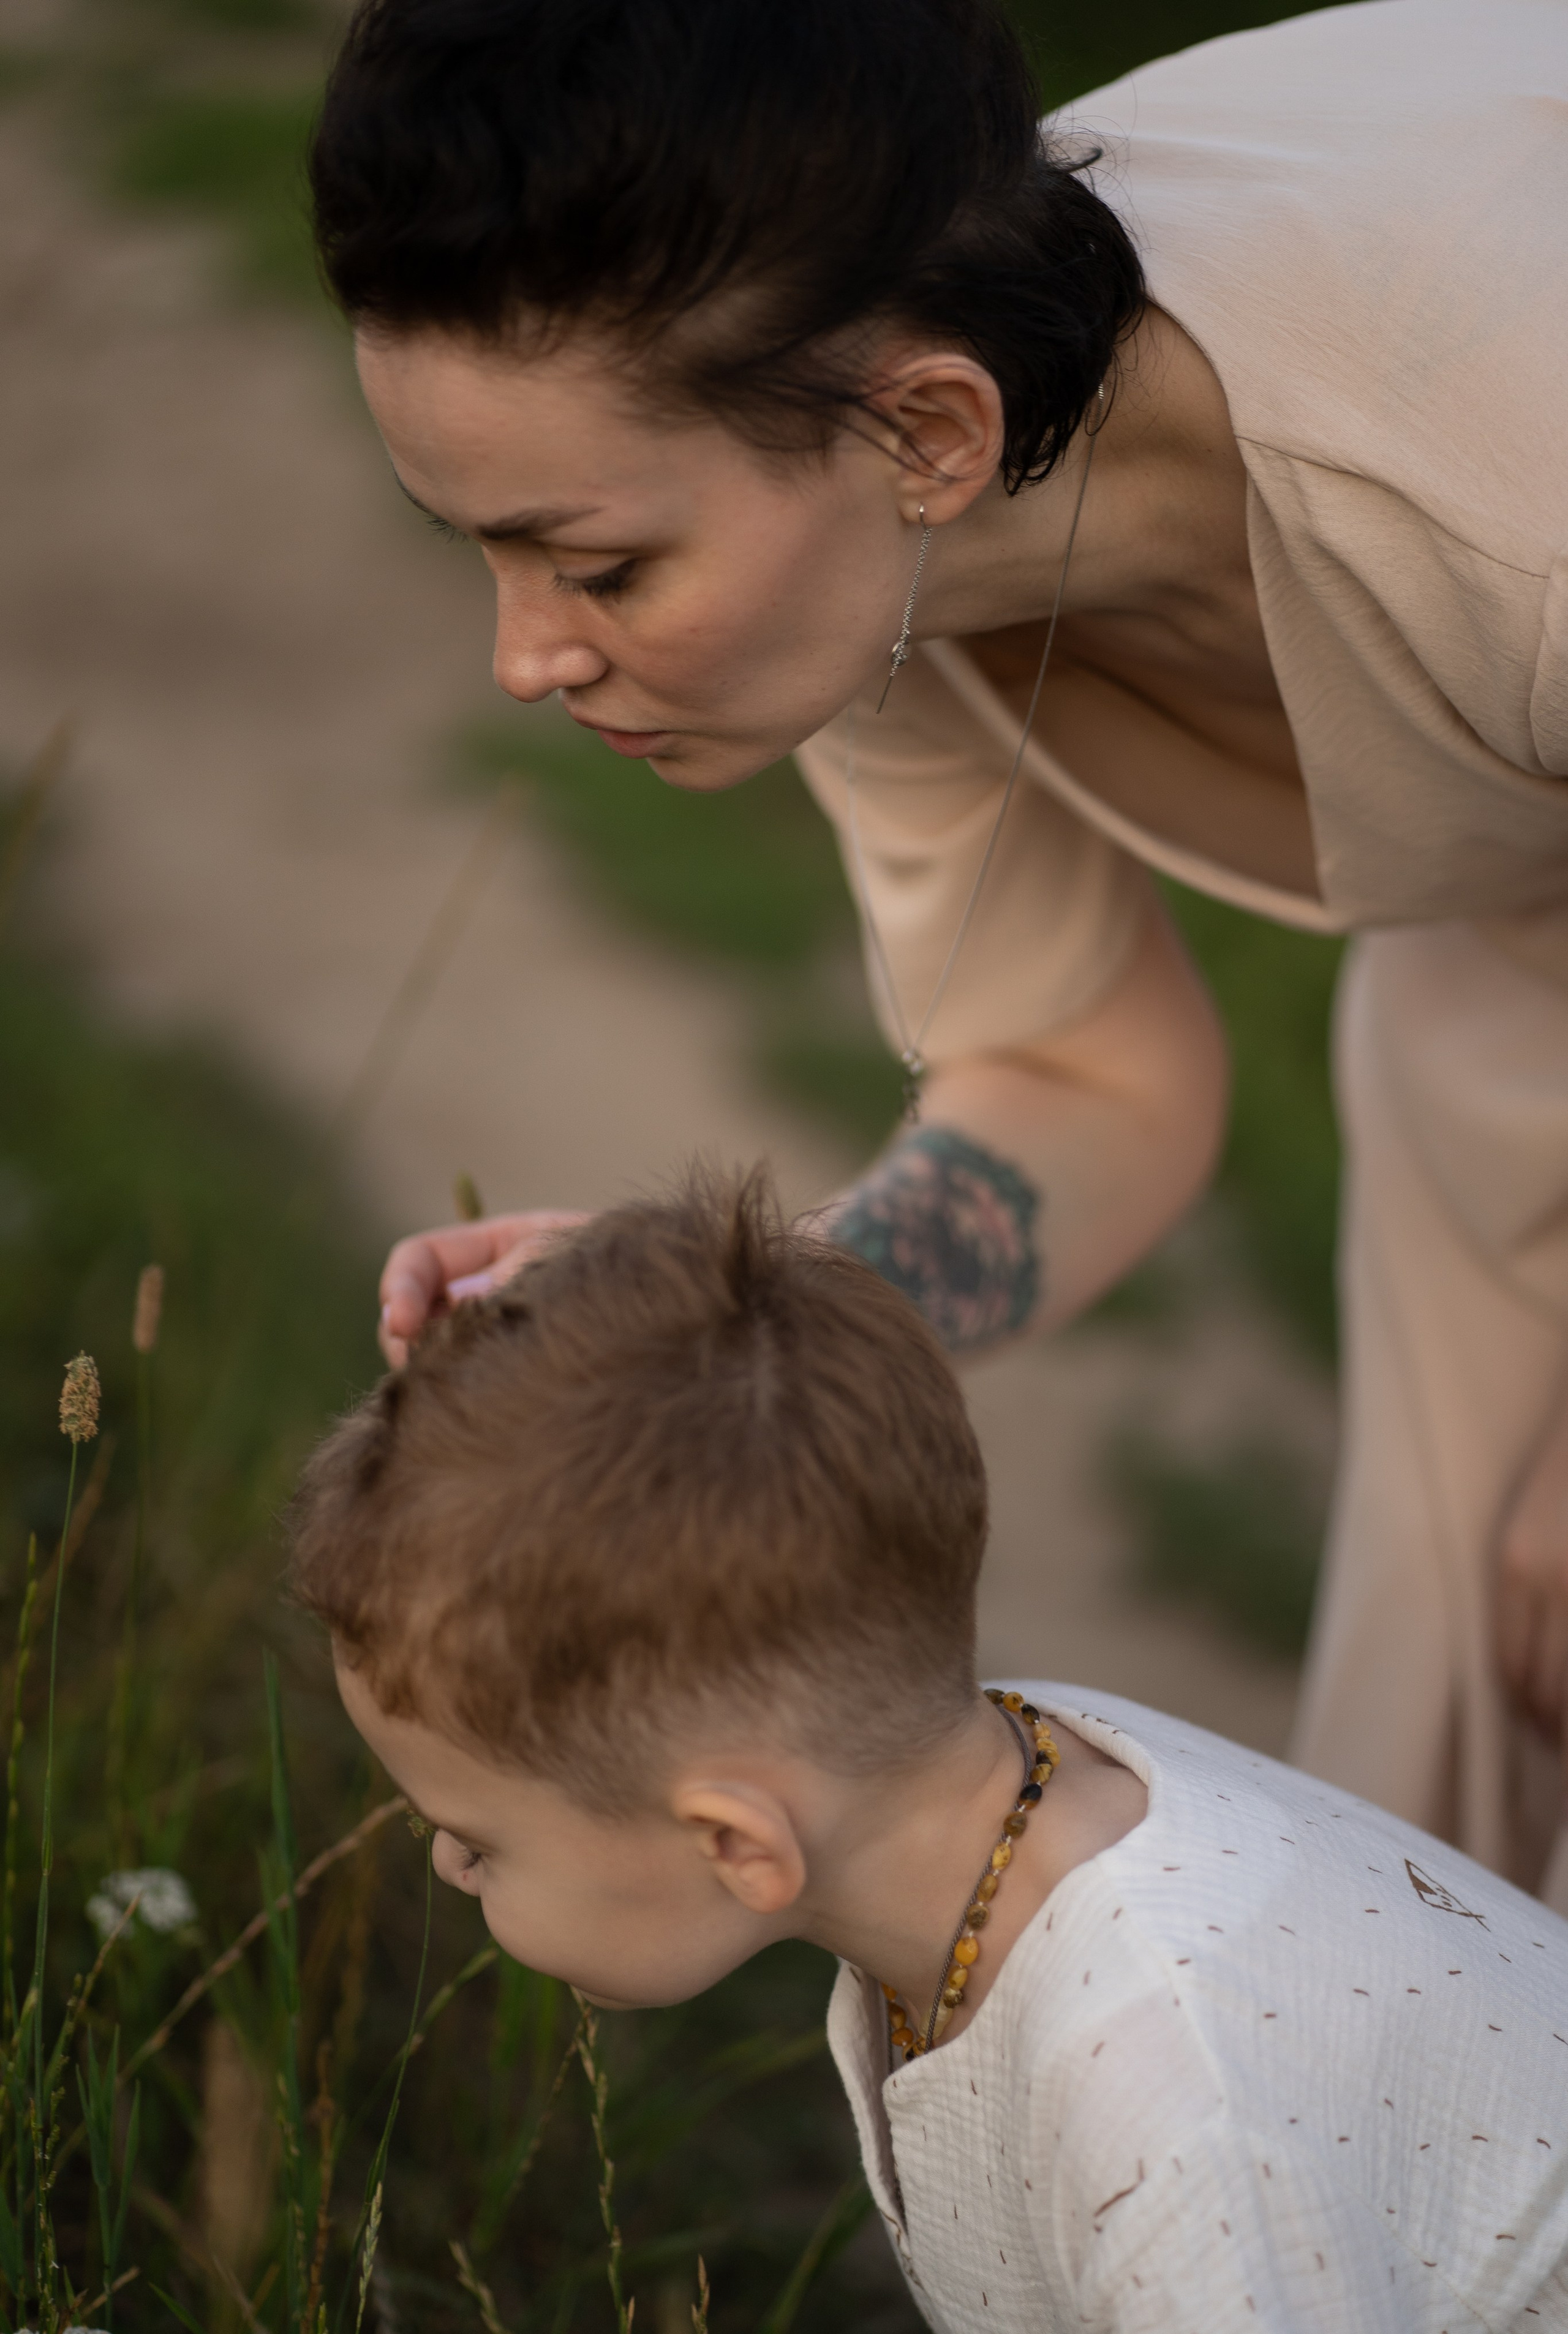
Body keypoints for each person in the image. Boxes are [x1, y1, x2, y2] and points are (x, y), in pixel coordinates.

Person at [307, 0, 1568, 1902]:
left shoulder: (1507, 464)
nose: (527, 657)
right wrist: (738, 1339)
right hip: (1512, 978)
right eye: (479, 550)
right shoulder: (873, 551)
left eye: (602, 565)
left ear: (930, 428)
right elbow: (1079, 1075)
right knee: (1453, 1792)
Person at [289, 1169, 1568, 2334]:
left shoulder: (1178, 2127)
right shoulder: (997, 1770)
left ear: (736, 1843)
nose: (447, 1863)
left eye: (478, 1836)